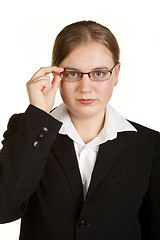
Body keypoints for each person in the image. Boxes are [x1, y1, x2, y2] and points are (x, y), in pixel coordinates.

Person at [0, 20, 159, 240]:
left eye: (99, 73)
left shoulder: (149, 145)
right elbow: (3, 209)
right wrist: (38, 115)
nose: (86, 88)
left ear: (116, 73)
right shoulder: (29, 131)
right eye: (73, 73)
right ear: (55, 74)